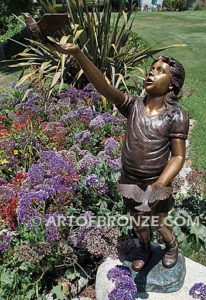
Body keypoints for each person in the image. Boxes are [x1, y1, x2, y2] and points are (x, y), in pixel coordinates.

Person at [53, 43, 189, 271]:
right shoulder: (133, 105)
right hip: (130, 180)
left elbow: (177, 156)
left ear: (173, 84)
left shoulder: (176, 115)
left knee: (159, 221)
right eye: (151, 68)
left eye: (159, 70)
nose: (151, 72)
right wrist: (78, 53)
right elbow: (104, 86)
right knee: (138, 223)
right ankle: (145, 248)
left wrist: (160, 184)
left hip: (156, 181)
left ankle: (171, 245)